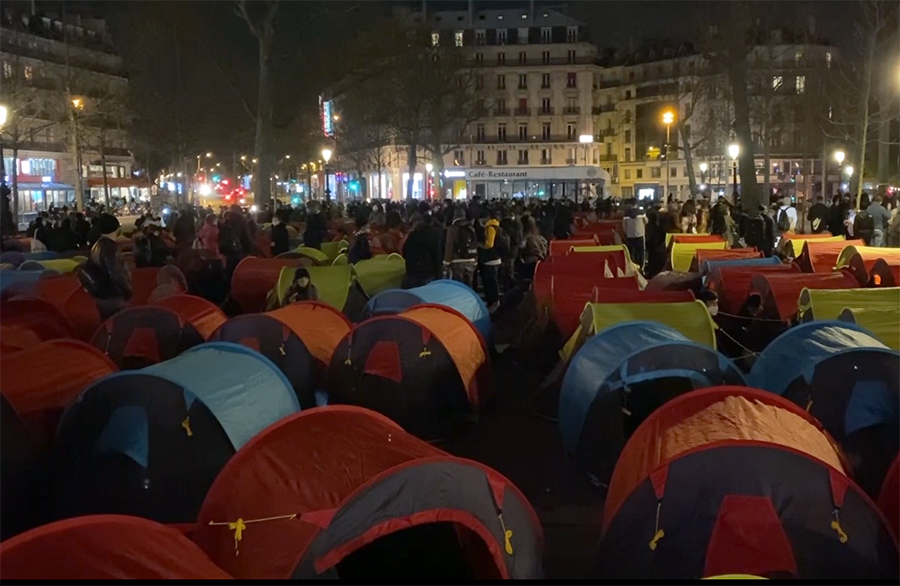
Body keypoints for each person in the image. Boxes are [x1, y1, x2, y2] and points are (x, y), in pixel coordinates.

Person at [79, 213, 131, 319]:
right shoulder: (111, 248)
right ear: (116, 229)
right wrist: (127, 291)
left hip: (99, 295)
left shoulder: (96, 245)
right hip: (112, 296)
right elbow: (115, 274)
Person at [402, 207, 442, 289]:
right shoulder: (433, 237)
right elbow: (437, 257)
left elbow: (404, 252)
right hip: (428, 273)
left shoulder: (412, 235)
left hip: (412, 272)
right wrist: (438, 275)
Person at [443, 207, 478, 288]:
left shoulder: (452, 228)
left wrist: (446, 262)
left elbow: (449, 246)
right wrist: (475, 260)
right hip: (471, 260)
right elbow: (474, 243)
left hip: (457, 260)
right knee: (469, 286)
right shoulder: (471, 227)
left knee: (458, 286)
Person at [478, 208, 502, 312]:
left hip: (490, 259)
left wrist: (479, 245)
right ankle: (494, 302)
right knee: (492, 282)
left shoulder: (490, 227)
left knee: (491, 283)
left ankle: (495, 303)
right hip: (496, 258)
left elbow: (489, 244)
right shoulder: (496, 225)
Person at [623, 199, 648, 270]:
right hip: (640, 234)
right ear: (636, 204)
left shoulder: (626, 213)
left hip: (630, 235)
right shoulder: (641, 212)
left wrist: (627, 232)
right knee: (641, 251)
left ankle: (632, 266)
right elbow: (646, 221)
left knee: (632, 251)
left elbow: (624, 226)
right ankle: (641, 267)